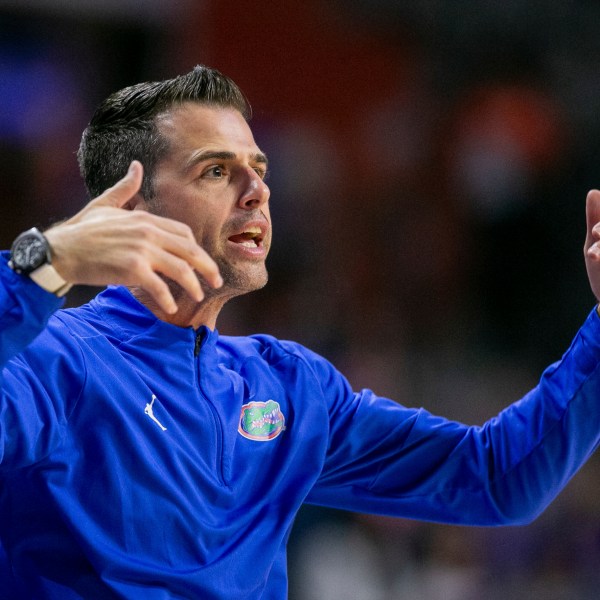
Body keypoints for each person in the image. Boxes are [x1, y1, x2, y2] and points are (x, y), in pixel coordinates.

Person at [2, 64, 600, 600]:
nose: (258, 192)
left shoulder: (290, 387)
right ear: (130, 207)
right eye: (216, 171)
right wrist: (41, 262)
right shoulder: (58, 362)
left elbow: (498, 479)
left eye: (258, 170)